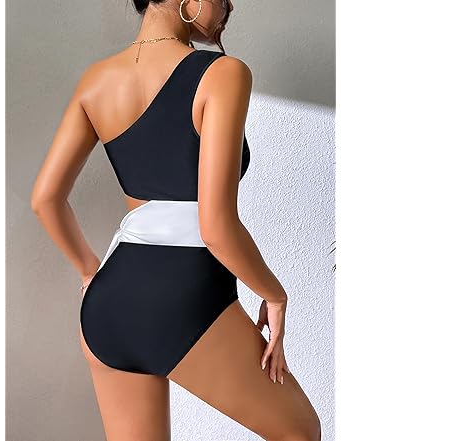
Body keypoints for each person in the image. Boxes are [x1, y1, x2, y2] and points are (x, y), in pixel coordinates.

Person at [31, 1, 321, 440]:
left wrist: (91, 271)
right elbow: (216, 227)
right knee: (300, 431)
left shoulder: (95, 80)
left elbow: (45, 199)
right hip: (182, 296)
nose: (228, 6)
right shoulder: (222, 74)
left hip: (108, 306)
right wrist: (274, 295)